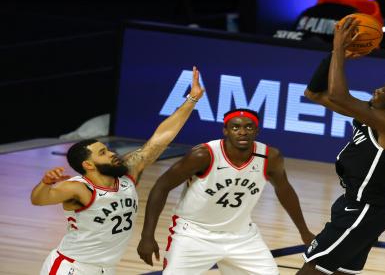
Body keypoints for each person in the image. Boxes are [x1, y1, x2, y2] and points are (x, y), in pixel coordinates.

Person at [30, 67, 204, 275]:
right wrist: (46, 183)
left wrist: (192, 100)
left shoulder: (127, 174)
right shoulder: (79, 189)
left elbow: (160, 138)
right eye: (103, 152)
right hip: (72, 268)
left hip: (106, 269)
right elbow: (39, 200)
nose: (112, 153)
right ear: (88, 165)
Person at [297, 17, 385, 275]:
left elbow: (337, 95)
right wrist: (332, 55)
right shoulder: (371, 116)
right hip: (355, 205)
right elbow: (314, 94)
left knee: (311, 269)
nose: (377, 89)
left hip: (365, 210)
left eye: (384, 89)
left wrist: (339, 51)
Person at [137, 108, 314, 275]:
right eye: (235, 127)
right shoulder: (203, 155)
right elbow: (161, 186)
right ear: (226, 131)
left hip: (242, 236)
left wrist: (303, 231)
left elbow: (284, 191)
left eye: (248, 127)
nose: (242, 132)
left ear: (256, 131)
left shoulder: (270, 157)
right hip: (194, 235)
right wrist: (147, 235)